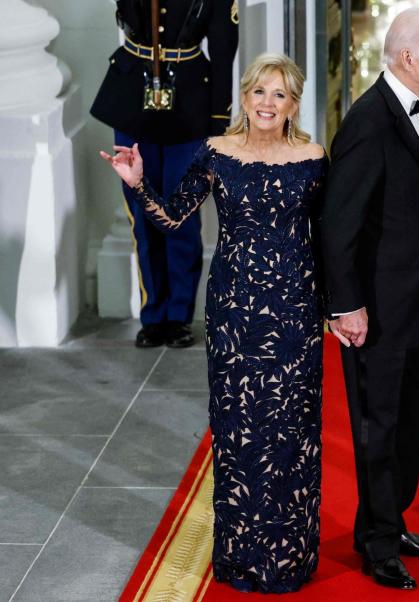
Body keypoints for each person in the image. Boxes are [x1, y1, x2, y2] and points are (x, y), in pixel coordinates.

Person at [100, 54, 328, 594]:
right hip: (234, 315)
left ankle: (289, 558)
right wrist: (137, 183)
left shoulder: (315, 157)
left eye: (280, 94)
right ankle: (241, 557)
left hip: (295, 311)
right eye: (259, 92)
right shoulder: (216, 153)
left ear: (294, 105)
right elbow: (175, 216)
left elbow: (331, 236)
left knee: (291, 431)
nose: (267, 103)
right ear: (244, 98)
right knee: (239, 430)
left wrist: (342, 305)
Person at [321, 7, 419, 591]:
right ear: (408, 57)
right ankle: (377, 544)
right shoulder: (367, 122)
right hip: (376, 311)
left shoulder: (416, 110)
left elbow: (412, 201)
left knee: (409, 423)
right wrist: (345, 304)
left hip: (418, 300)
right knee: (378, 428)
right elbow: (338, 224)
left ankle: (390, 521)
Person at [91, 0, 239, 348]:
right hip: (133, 99)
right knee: (142, 216)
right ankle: (153, 314)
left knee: (181, 216)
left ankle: (177, 316)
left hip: (188, 104)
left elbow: (222, 49)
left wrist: (220, 119)